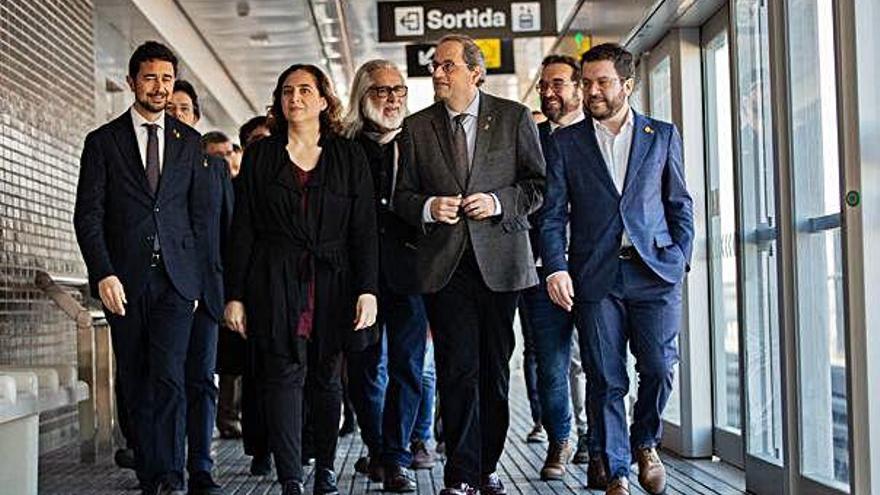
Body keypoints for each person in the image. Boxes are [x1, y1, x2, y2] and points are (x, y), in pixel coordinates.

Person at [394, 34, 545, 495]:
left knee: (494, 372)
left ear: (476, 72)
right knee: (457, 368)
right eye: (435, 66)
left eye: (447, 66)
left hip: (500, 262)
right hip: (446, 266)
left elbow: (537, 186)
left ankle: (486, 466)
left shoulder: (515, 118)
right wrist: (428, 207)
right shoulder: (417, 127)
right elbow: (402, 198)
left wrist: (498, 202)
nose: (437, 73)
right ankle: (461, 472)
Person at [541, 43, 694, 495]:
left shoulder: (661, 135)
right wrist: (556, 267)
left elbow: (679, 203)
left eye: (602, 81)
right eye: (586, 82)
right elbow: (552, 214)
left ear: (627, 84)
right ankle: (619, 470)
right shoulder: (565, 143)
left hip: (655, 272)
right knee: (606, 377)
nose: (592, 91)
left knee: (660, 367)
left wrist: (681, 256)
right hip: (596, 277)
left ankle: (645, 440)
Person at [224, 64, 379, 495]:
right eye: (287, 91)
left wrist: (368, 290)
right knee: (282, 377)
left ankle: (325, 467)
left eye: (305, 90)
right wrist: (235, 296)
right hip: (274, 279)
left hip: (333, 281)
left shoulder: (349, 156)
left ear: (324, 100)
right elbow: (244, 230)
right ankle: (291, 475)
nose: (295, 98)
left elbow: (363, 229)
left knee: (327, 380)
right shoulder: (261, 156)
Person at [74, 41, 205, 495]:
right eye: (150, 78)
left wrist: (199, 282)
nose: (160, 87)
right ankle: (151, 469)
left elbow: (196, 214)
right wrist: (103, 272)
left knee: (169, 374)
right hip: (124, 281)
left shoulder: (189, 142)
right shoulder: (103, 142)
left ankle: (169, 475)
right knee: (136, 377)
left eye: (167, 79)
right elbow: (88, 215)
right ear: (132, 82)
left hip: (175, 279)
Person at [341, 59, 433, 492]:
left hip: (411, 274)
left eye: (398, 90)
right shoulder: (342, 146)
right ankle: (378, 448)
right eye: (381, 91)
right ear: (363, 96)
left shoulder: (420, 140)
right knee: (362, 370)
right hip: (356, 278)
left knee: (408, 368)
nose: (392, 98)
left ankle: (395, 456)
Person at [519, 54, 605, 486]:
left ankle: (596, 441)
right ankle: (561, 438)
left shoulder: (600, 138)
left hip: (594, 268)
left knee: (596, 360)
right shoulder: (530, 139)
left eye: (558, 85)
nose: (549, 93)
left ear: (577, 87)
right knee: (551, 364)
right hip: (540, 268)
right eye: (544, 87)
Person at [167, 80, 232, 495]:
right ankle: (166, 467)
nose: (176, 115)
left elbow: (229, 231)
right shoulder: (150, 170)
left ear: (196, 118)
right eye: (170, 108)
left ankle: (201, 467)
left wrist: (232, 293)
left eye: (184, 108)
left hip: (207, 293)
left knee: (202, 381)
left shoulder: (217, 168)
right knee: (166, 382)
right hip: (165, 292)